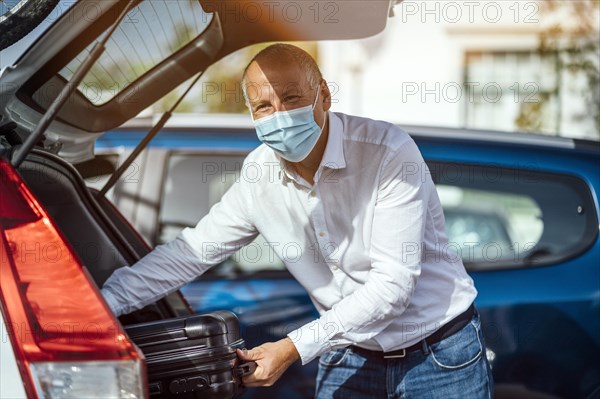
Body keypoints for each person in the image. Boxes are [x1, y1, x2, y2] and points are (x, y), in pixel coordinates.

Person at [101, 43, 493, 398]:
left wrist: (291, 348)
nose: (280, 116)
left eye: (292, 98)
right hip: (350, 352)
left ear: (323, 93)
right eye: (264, 107)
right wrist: (102, 305)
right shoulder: (258, 177)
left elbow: (392, 286)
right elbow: (188, 254)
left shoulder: (386, 152)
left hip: (439, 353)